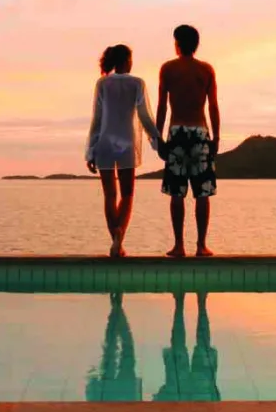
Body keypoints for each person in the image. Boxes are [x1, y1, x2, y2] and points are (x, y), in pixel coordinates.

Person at [84, 44, 161, 257]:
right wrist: (156, 140)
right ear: (126, 60)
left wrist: (90, 151)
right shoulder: (137, 83)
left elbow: (97, 119)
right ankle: (120, 237)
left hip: (105, 144)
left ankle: (115, 241)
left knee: (110, 195)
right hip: (127, 142)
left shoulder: (102, 84)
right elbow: (145, 116)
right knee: (127, 194)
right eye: (131, 58)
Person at [155, 23, 220, 258]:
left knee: (177, 192)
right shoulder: (206, 70)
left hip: (177, 132)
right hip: (200, 131)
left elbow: (162, 105)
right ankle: (201, 246)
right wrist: (216, 137)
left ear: (177, 44)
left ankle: (179, 245)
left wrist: (158, 137)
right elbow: (213, 106)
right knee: (202, 192)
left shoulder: (168, 69)